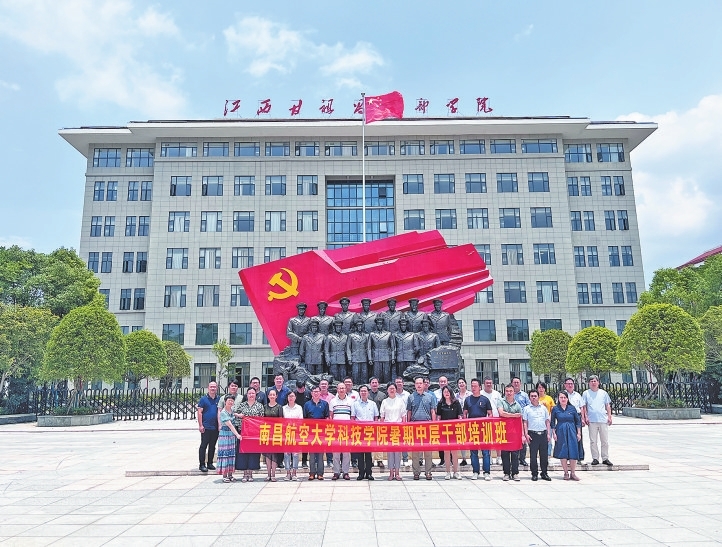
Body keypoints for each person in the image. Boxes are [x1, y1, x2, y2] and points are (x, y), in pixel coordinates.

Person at [463, 378, 493, 480]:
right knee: (473, 452)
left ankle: (486, 472)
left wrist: (487, 423)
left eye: (475, 386)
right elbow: (465, 414)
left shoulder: (485, 400)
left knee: (485, 452)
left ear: (480, 387)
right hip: (472, 429)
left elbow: (490, 414)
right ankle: (475, 471)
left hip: (484, 429)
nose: (473, 388)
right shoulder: (468, 400)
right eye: (472, 386)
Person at [407, 376, 436, 480]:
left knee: (428, 451)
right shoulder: (411, 397)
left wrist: (433, 424)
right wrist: (408, 425)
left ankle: (428, 472)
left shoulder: (430, 397)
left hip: (427, 426)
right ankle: (416, 472)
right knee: (415, 452)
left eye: (420, 383)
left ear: (424, 384)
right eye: (417, 383)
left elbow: (433, 411)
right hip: (415, 427)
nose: (419, 385)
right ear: (415, 385)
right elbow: (409, 412)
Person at [233, 386, 265, 482]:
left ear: (256, 395)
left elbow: (262, 419)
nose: (251, 395)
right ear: (247, 395)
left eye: (253, 393)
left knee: (253, 453)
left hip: (254, 433)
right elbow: (236, 416)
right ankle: (244, 473)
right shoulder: (242, 405)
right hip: (243, 433)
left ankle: (250, 473)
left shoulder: (259, 406)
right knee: (243, 453)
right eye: (249, 393)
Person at [582, 375, 614, 466]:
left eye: (595, 381)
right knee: (593, 441)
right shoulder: (586, 393)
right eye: (591, 381)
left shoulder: (603, 393)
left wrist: (609, 416)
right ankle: (595, 458)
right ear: (589, 383)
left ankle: (605, 458)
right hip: (592, 420)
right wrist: (585, 417)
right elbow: (584, 406)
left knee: (605, 441)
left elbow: (607, 405)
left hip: (603, 420)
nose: (593, 383)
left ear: (598, 382)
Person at [551, 391, 582, 481]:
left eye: (565, 397)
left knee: (573, 451)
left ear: (567, 399)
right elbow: (552, 422)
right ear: (558, 399)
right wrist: (554, 433)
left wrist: (579, 433)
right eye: (561, 397)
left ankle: (573, 473)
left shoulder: (572, 408)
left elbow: (577, 421)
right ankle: (565, 472)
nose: (563, 399)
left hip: (572, 431)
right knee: (563, 451)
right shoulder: (555, 409)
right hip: (560, 431)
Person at [523, 390, 552, 481]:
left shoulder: (543, 408)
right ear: (529, 398)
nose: (533, 398)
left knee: (544, 456)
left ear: (538, 397)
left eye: (535, 396)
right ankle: (534, 473)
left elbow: (547, 421)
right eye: (531, 396)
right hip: (532, 434)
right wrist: (526, 434)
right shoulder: (527, 409)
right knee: (533, 456)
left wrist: (548, 433)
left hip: (543, 434)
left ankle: (544, 473)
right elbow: (525, 422)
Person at [380, 383, 406, 480]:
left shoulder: (400, 401)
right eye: (390, 389)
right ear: (387, 390)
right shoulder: (384, 402)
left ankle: (397, 472)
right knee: (390, 452)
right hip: (388, 429)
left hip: (398, 429)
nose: (392, 390)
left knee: (397, 452)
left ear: (396, 390)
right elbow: (382, 416)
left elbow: (404, 415)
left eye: (393, 388)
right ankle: (391, 472)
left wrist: (404, 428)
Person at [353, 385, 380, 480]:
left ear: (368, 392)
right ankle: (361, 473)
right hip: (359, 431)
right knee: (360, 454)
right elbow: (353, 418)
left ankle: (369, 473)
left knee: (368, 454)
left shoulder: (372, 404)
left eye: (365, 391)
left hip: (369, 431)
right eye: (362, 391)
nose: (363, 393)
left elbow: (376, 417)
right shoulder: (355, 404)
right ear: (359, 393)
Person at [303, 386, 329, 480]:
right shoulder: (307, 404)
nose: (316, 393)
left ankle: (320, 473)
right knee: (312, 454)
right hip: (311, 433)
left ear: (320, 393)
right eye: (314, 391)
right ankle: (312, 473)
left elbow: (327, 417)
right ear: (311, 393)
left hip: (321, 432)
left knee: (320, 454)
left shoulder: (325, 404)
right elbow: (305, 419)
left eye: (317, 391)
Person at [437, 385, 463, 480]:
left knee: (454, 452)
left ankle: (456, 472)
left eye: (448, 391)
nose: (446, 393)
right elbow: (438, 417)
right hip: (444, 431)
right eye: (445, 392)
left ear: (451, 392)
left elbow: (460, 415)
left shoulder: (456, 403)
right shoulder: (440, 404)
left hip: (454, 430)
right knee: (446, 452)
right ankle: (448, 472)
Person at [498, 384, 523, 482]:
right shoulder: (501, 401)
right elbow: (501, 413)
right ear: (505, 392)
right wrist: (514, 415)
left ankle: (515, 473)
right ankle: (506, 473)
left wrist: (522, 435)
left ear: (514, 392)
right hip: (504, 432)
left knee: (515, 454)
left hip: (515, 433)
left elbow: (520, 419)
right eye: (507, 391)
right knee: (505, 454)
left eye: (511, 391)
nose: (509, 393)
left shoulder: (517, 405)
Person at [329, 382, 353, 480]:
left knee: (346, 452)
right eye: (340, 388)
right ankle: (336, 472)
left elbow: (352, 416)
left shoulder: (351, 401)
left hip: (347, 430)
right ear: (337, 390)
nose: (341, 390)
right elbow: (331, 416)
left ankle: (346, 472)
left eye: (343, 388)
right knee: (336, 452)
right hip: (336, 430)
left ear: (346, 389)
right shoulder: (333, 401)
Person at [196, 381, 220, 472]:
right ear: (208, 388)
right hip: (206, 427)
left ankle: (210, 463)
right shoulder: (203, 399)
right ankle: (202, 464)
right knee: (203, 445)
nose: (213, 388)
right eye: (211, 387)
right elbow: (199, 412)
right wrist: (200, 425)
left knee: (212, 446)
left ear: (217, 388)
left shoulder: (219, 399)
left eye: (214, 387)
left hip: (215, 427)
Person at [218, 394, 242, 482]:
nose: (231, 402)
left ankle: (230, 474)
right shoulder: (223, 412)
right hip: (225, 435)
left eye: (232, 400)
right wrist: (237, 435)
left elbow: (235, 415)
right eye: (229, 400)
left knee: (231, 454)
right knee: (225, 454)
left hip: (231, 435)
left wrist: (240, 415)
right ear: (225, 401)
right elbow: (230, 425)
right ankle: (224, 475)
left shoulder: (232, 411)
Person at [563, 377, 586, 464]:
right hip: (567, 418)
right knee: (567, 438)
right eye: (568, 384)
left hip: (577, 417)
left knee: (578, 437)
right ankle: (568, 457)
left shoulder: (577, 395)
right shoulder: (563, 394)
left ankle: (579, 457)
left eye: (571, 384)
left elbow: (581, 407)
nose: (570, 385)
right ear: (565, 385)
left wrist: (583, 418)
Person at [263, 389, 284, 481]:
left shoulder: (279, 407)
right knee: (268, 454)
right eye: (270, 395)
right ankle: (268, 474)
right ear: (268, 396)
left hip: (276, 433)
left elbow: (281, 420)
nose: (272, 396)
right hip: (266, 432)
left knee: (274, 454)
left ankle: (273, 474)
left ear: (276, 396)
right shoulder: (264, 407)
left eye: (273, 395)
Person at [282, 391, 303, 481]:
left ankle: (294, 472)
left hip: (296, 433)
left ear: (295, 397)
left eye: (292, 396)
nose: (291, 398)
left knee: (295, 453)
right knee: (286, 453)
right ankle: (287, 473)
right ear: (287, 398)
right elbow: (281, 421)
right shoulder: (283, 408)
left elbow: (300, 421)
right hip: (286, 433)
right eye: (289, 396)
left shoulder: (299, 408)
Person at [368, 316, 395, 384]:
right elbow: (369, 347)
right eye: (378, 324)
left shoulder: (388, 334)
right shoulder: (372, 334)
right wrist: (370, 358)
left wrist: (393, 358)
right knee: (377, 375)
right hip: (376, 357)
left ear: (383, 324)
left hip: (386, 357)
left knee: (387, 374)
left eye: (381, 324)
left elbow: (392, 347)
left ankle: (387, 387)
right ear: (376, 325)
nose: (379, 325)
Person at [482, 377, 503, 465]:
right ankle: (489, 457)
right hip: (485, 421)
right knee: (488, 439)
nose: (489, 384)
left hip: (497, 419)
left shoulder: (496, 394)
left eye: (490, 383)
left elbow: (500, 405)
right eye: (487, 383)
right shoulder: (481, 394)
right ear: (484, 384)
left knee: (498, 439)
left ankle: (499, 457)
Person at [368, 377, 387, 469]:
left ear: (378, 384)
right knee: (370, 440)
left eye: (376, 382)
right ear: (370, 384)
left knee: (379, 440)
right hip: (369, 420)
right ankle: (371, 460)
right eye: (373, 382)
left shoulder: (382, 395)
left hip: (379, 420)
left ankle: (380, 460)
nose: (374, 384)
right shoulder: (367, 394)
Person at [511, 377, 531, 467]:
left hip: (523, 420)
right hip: (512, 420)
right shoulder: (509, 394)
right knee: (513, 439)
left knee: (523, 440)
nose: (516, 384)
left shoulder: (525, 395)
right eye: (514, 382)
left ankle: (522, 458)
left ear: (520, 384)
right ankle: (514, 459)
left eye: (517, 382)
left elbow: (528, 406)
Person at [294, 380, 311, 469]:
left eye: (302, 388)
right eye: (299, 389)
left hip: (306, 421)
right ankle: (293, 461)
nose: (301, 390)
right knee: (294, 441)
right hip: (295, 421)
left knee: (305, 441)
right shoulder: (293, 393)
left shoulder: (308, 393)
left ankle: (304, 461)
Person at [347, 320, 370, 384]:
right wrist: (349, 358)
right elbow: (348, 348)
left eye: (361, 326)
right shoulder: (351, 336)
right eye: (358, 326)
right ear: (356, 327)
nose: (360, 327)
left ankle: (364, 387)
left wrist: (369, 358)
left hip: (364, 357)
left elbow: (368, 348)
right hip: (355, 358)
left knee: (364, 374)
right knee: (355, 374)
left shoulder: (366, 336)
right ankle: (355, 386)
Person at [394, 376, 411, 467]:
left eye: (400, 382)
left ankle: (405, 459)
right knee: (395, 440)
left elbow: (409, 409)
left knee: (404, 440)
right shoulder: (392, 393)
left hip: (404, 421)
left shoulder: (407, 395)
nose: (398, 384)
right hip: (394, 421)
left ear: (403, 383)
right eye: (397, 382)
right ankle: (396, 460)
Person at [537, 382, 555, 458]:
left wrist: (550, 418)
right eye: (539, 387)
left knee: (548, 437)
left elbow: (553, 409)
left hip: (548, 421)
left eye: (542, 387)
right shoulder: (535, 398)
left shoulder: (549, 398)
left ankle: (548, 454)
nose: (541, 389)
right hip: (538, 421)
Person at [456, 378, 471, 466]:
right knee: (462, 440)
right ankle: (464, 458)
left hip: (470, 420)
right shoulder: (455, 396)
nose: (461, 384)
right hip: (459, 421)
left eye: (462, 382)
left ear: (465, 384)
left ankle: (473, 457)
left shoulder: (470, 394)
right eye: (459, 383)